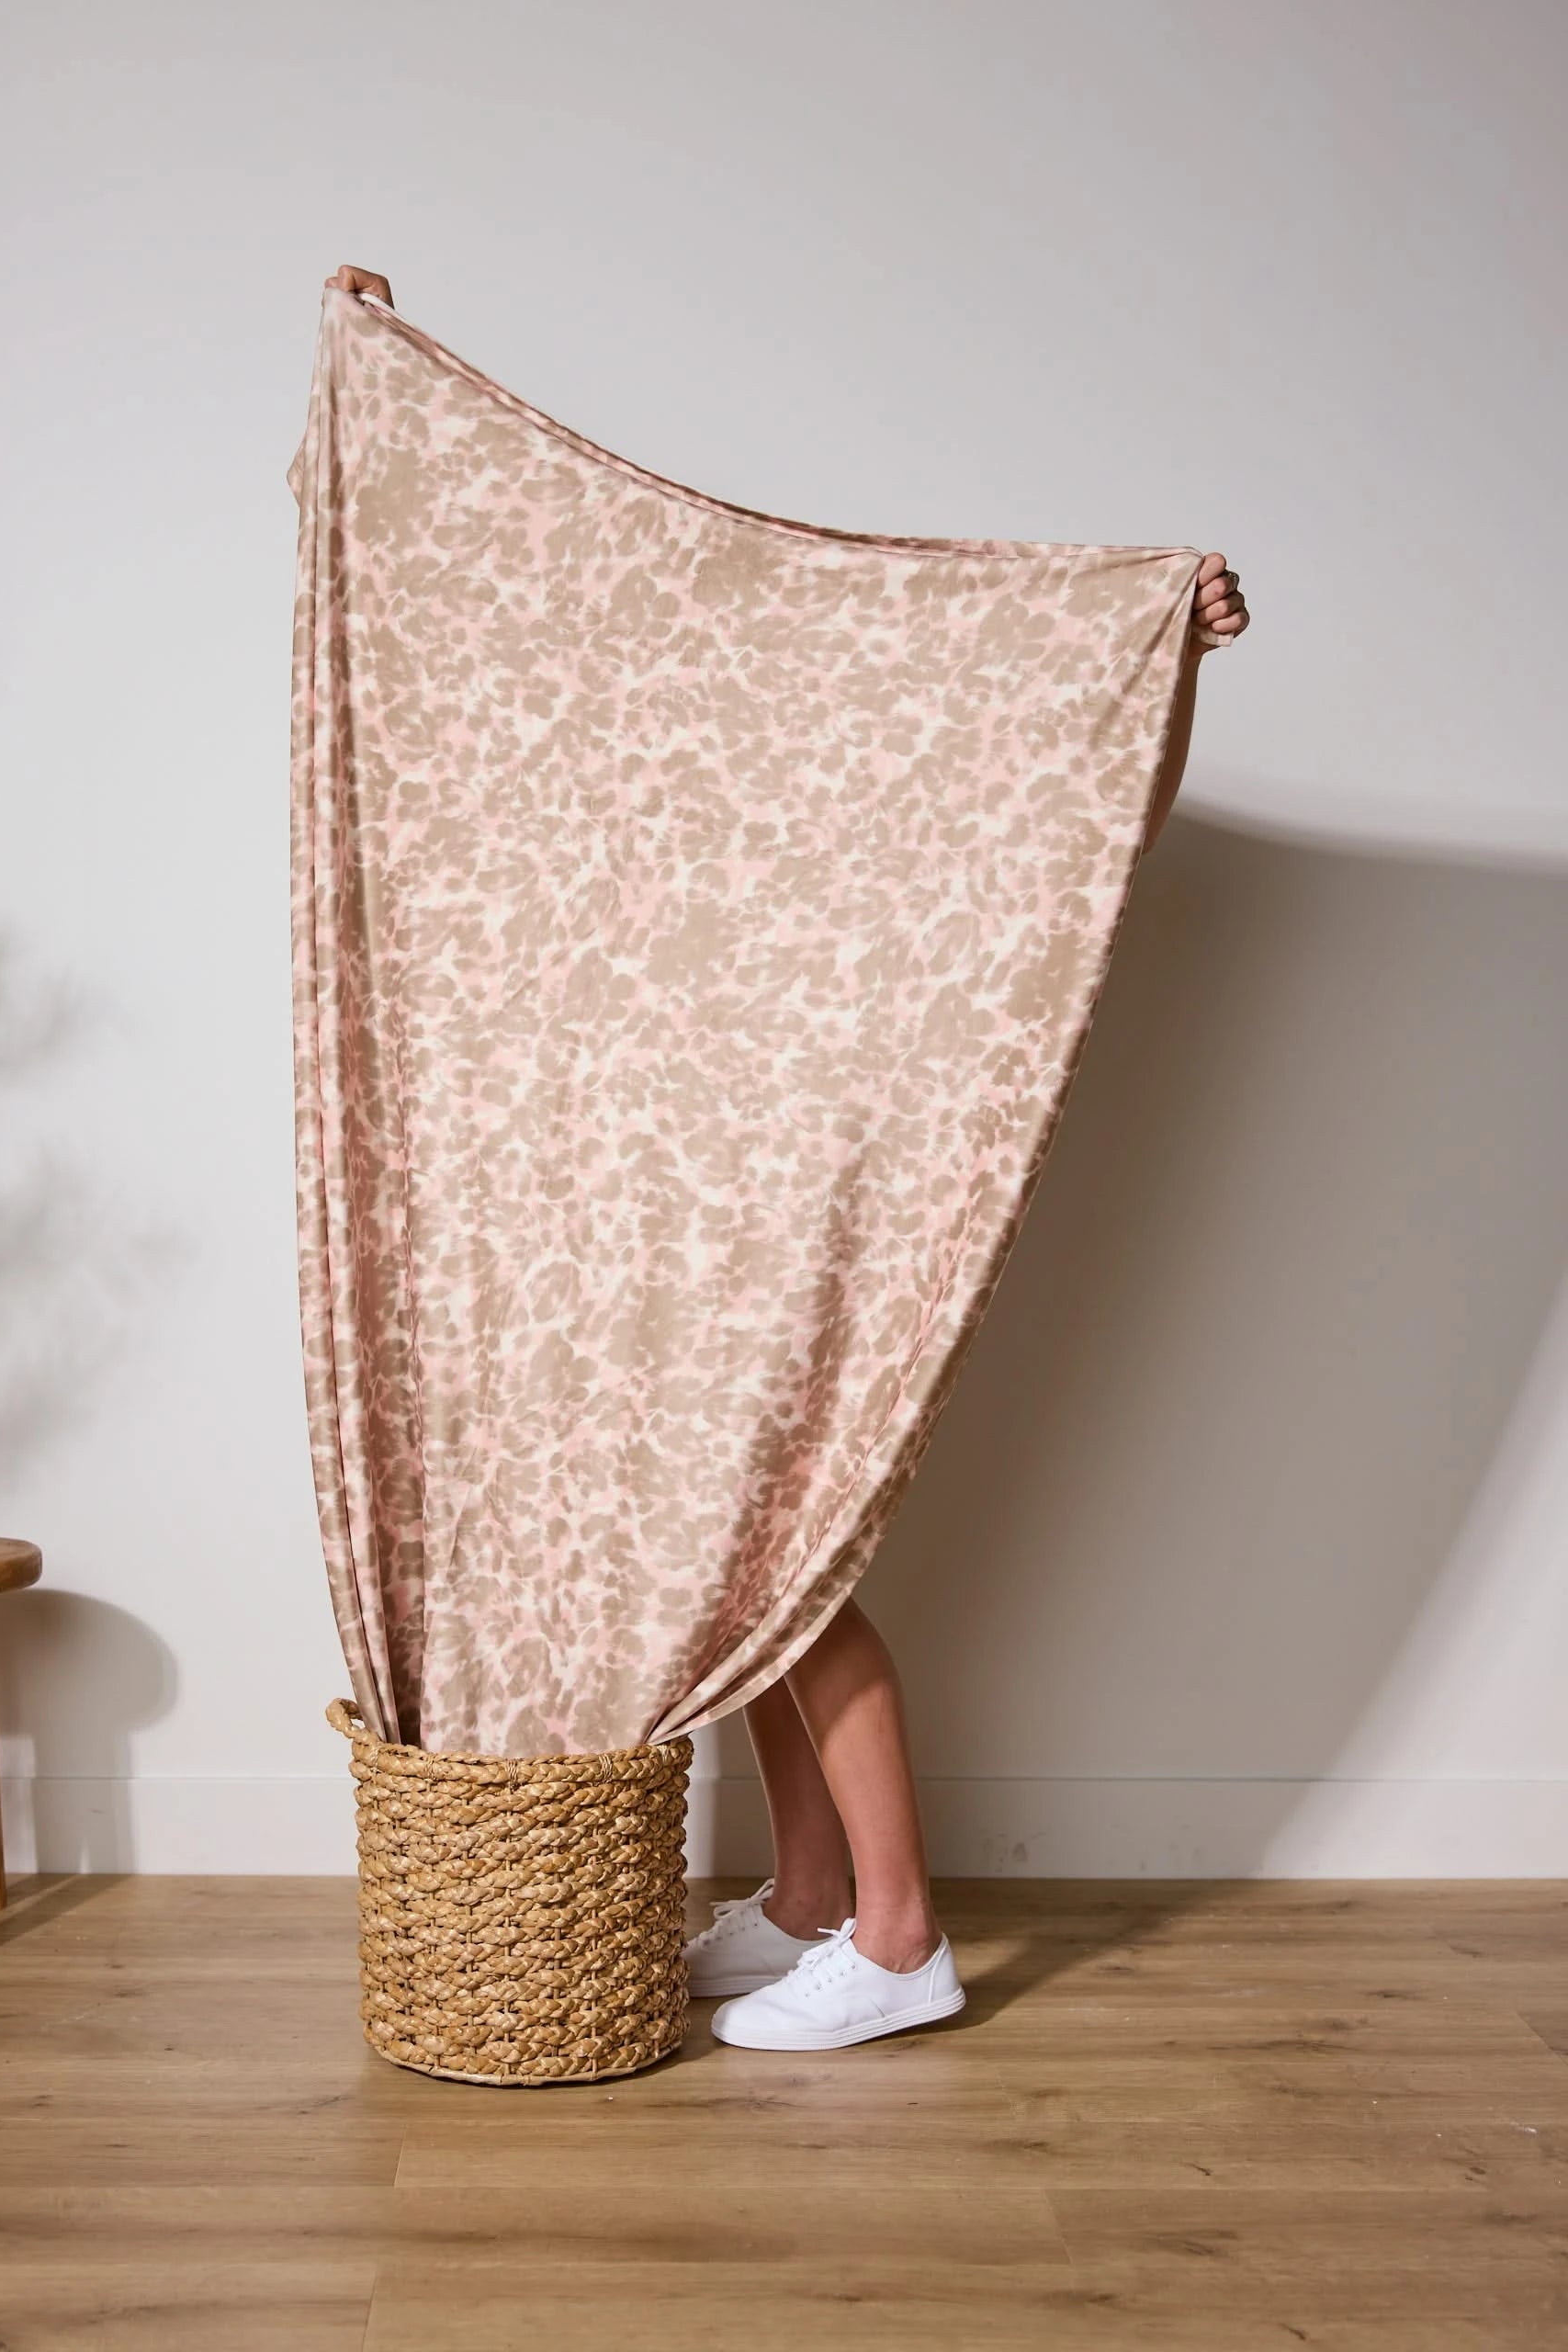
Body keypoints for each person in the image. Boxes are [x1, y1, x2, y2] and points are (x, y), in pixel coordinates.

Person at [324, 265, 1251, 2052]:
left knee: (787, 1550)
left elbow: (1036, 804)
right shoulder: (671, 860)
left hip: (799, 1183)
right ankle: (816, 1889)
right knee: (728, 1551)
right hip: (708, 1183)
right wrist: (382, 391)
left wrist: (1152, 642)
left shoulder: (852, 887)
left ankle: (898, 1930)